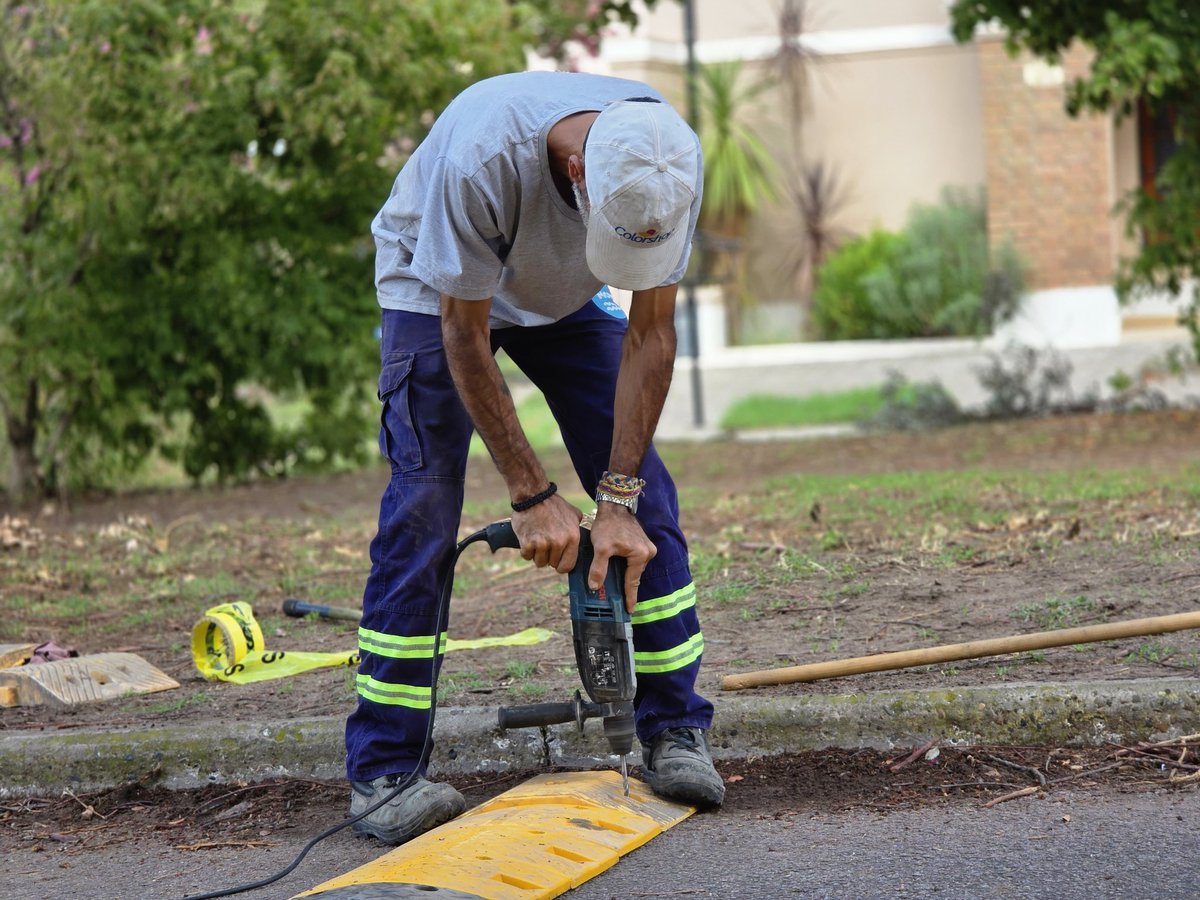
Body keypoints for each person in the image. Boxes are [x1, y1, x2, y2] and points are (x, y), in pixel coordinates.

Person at [345, 70, 723, 845]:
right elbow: (463, 333)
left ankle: (676, 729)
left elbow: (652, 334)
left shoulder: (666, 159)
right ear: (580, 174)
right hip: (436, 289)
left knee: (649, 501)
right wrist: (531, 493)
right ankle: (384, 770)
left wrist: (614, 502)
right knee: (425, 504)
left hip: (565, 294)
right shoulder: (484, 160)